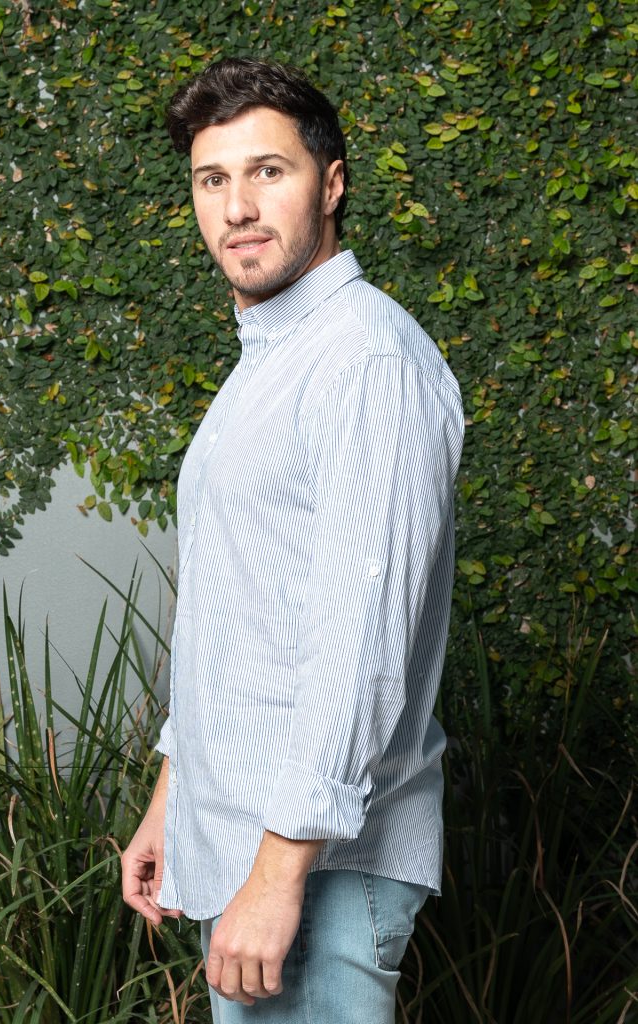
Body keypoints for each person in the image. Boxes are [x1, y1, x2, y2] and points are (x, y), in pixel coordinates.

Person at [121, 56, 464, 1024]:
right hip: (246, 841)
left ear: (332, 183)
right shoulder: (276, 356)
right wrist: (173, 800)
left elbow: (360, 644)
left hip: (313, 865)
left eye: (267, 171)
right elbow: (246, 609)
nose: (236, 206)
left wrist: (277, 875)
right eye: (212, 179)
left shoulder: (363, 361)